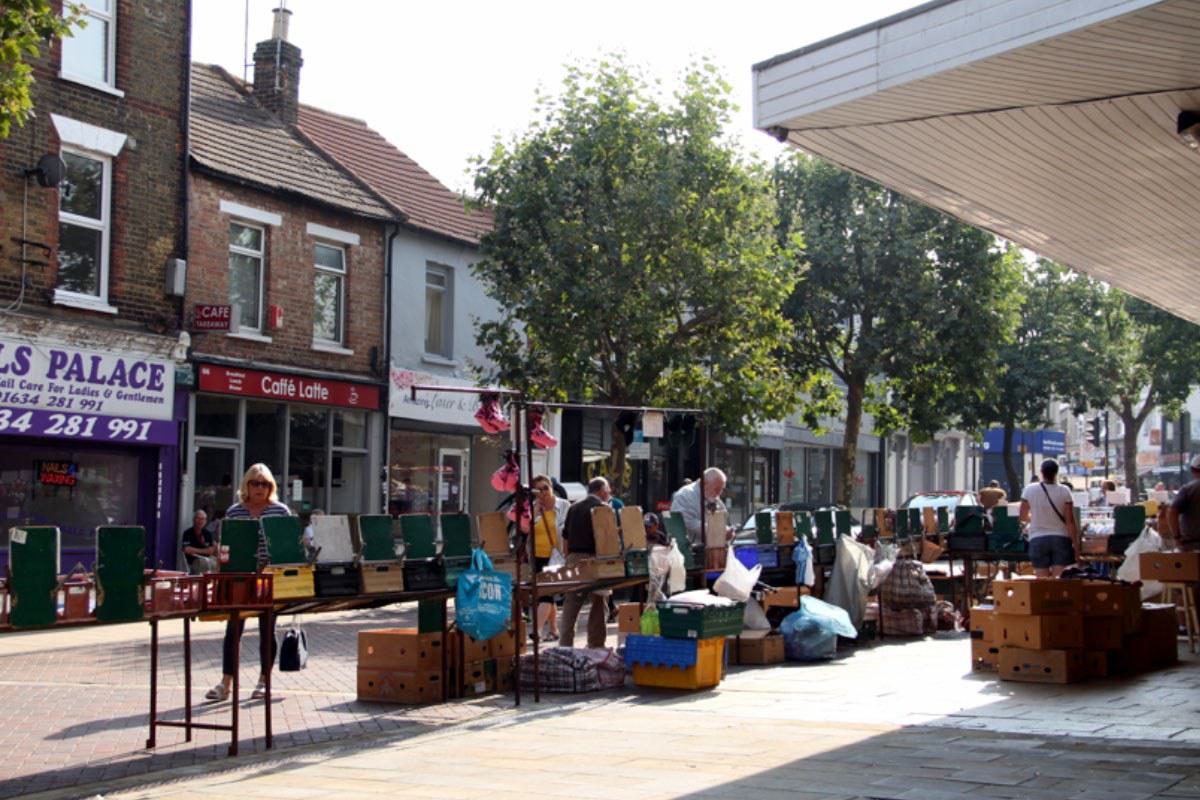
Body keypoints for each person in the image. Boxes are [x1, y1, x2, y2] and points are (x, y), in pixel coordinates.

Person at [205, 464, 291, 703]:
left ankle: (264, 681)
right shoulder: (234, 512)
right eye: (255, 483)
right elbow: (226, 546)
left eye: (264, 483)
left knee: (267, 629)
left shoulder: (280, 511)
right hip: (239, 577)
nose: (259, 488)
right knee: (233, 630)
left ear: (271, 487)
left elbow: (287, 546)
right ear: (246, 485)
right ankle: (226, 683)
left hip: (269, 577)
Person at [559, 477, 612, 649]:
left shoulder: (573, 507)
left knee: (571, 603)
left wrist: (568, 557)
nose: (609, 494)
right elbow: (606, 538)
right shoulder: (602, 508)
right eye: (608, 491)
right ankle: (595, 643)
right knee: (598, 602)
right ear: (602, 491)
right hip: (594, 559)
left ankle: (565, 644)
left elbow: (565, 537)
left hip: (573, 557)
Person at [1019, 459, 1079, 578]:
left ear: (1041, 472)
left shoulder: (1029, 490)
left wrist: (1035, 518)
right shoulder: (1065, 491)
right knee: (1059, 580)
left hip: (1038, 538)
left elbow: (1022, 516)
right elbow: (1070, 521)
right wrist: (1076, 546)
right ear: (1056, 473)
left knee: (1042, 581)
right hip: (1061, 538)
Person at [530, 474, 569, 641]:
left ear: (552, 488)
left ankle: (537, 630)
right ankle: (553, 629)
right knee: (546, 594)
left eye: (546, 487)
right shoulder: (534, 508)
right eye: (539, 489)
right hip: (537, 556)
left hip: (556, 556)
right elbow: (526, 531)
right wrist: (535, 512)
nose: (543, 492)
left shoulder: (563, 505)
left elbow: (568, 531)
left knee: (546, 594)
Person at [670, 467, 731, 547]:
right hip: (689, 551)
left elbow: (723, 518)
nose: (719, 493)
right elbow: (688, 523)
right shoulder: (684, 495)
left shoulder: (713, 497)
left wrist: (727, 530)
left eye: (722, 489)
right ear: (704, 484)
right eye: (717, 489)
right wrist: (719, 532)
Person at [1166, 456, 1200, 552]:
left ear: (1193, 470)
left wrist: (1177, 537)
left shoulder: (1188, 490)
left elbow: (1172, 512)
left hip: (1193, 546)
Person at [181, 509, 218, 575]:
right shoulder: (187, 533)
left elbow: (212, 550)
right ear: (194, 519)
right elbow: (186, 550)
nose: (201, 521)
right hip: (193, 562)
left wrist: (194, 550)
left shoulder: (207, 534)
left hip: (207, 562)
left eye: (203, 519)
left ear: (206, 521)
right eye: (199, 518)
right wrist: (205, 551)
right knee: (202, 563)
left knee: (216, 563)